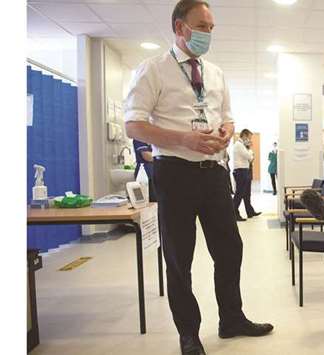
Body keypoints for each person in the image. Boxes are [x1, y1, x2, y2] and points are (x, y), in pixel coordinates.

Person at [123, 1, 273, 354]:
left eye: (211, 27)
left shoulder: (216, 73)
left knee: (230, 249)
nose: (208, 33)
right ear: (180, 27)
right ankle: (189, 333)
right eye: (202, 25)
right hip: (174, 173)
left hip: (214, 174)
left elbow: (230, 118)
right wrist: (182, 138)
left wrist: (226, 131)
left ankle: (231, 318)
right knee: (179, 257)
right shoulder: (152, 70)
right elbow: (134, 124)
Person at [233, 129, 261, 221]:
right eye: (249, 137)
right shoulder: (239, 145)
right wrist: (250, 153)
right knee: (239, 193)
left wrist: (249, 153)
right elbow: (249, 157)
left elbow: (250, 157)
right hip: (241, 171)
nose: (249, 139)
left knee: (246, 194)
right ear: (244, 135)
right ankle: (234, 213)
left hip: (245, 170)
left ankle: (250, 211)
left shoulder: (243, 146)